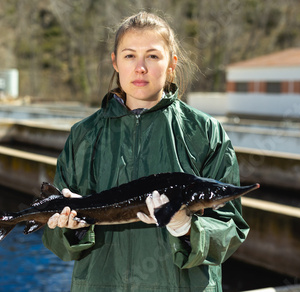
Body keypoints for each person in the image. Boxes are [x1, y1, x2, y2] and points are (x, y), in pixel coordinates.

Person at [42, 11, 249, 292]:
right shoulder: (84, 134)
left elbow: (231, 229)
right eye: (129, 56)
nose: (140, 67)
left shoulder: (205, 131)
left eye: (152, 56)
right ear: (115, 62)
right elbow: (59, 245)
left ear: (172, 63)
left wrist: (185, 227)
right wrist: (71, 227)